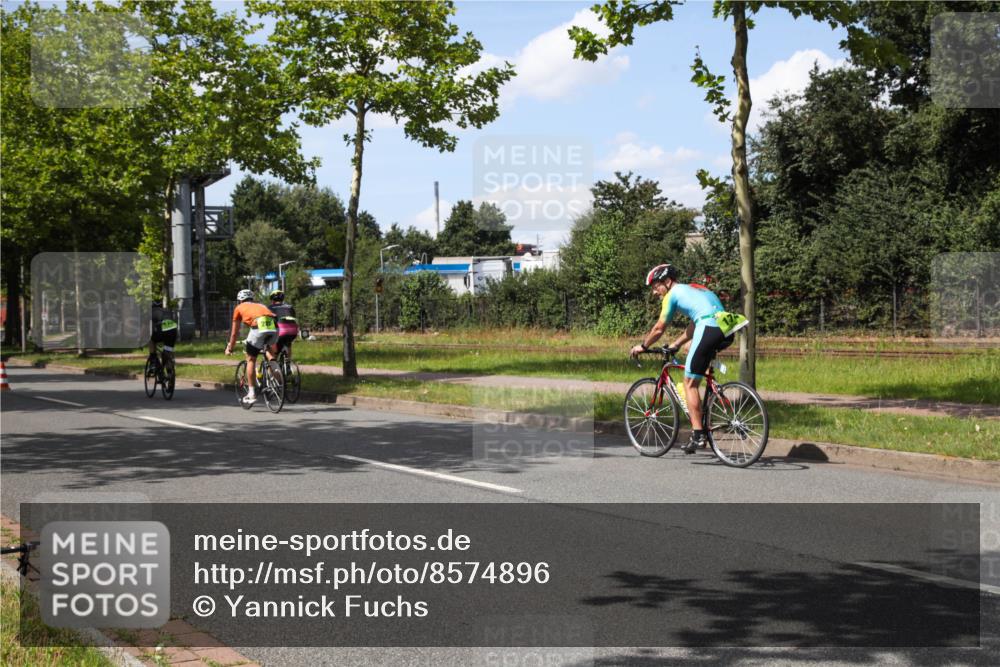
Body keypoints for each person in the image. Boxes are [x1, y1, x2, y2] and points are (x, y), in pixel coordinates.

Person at [629, 263, 748, 453]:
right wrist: (676, 344)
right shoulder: (695, 289)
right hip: (726, 328)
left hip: (708, 327)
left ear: (667, 282)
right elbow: (696, 323)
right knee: (692, 355)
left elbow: (660, 327)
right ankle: (712, 403)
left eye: (656, 286)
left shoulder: (672, 295)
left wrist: (643, 346)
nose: (654, 292)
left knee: (689, 383)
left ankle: (698, 435)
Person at [224, 289, 278, 405]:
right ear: (252, 299)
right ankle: (277, 378)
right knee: (268, 350)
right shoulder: (260, 305)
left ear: (240, 301)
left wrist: (230, 347)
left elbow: (234, 333)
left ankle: (252, 393)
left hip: (258, 327)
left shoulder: (239, 308)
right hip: (274, 326)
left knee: (251, 359)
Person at [267, 290, 299, 360]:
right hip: (293, 331)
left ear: (272, 300)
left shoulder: (270, 307)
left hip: (280, 331)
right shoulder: (290, 307)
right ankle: (288, 364)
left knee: (274, 352)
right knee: (288, 344)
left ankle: (274, 368)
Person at [149, 302, 178, 372]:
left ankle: (153, 362)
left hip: (163, 330)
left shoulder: (151, 313)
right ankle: (170, 370)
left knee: (151, 341)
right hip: (173, 330)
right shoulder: (167, 311)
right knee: (168, 349)